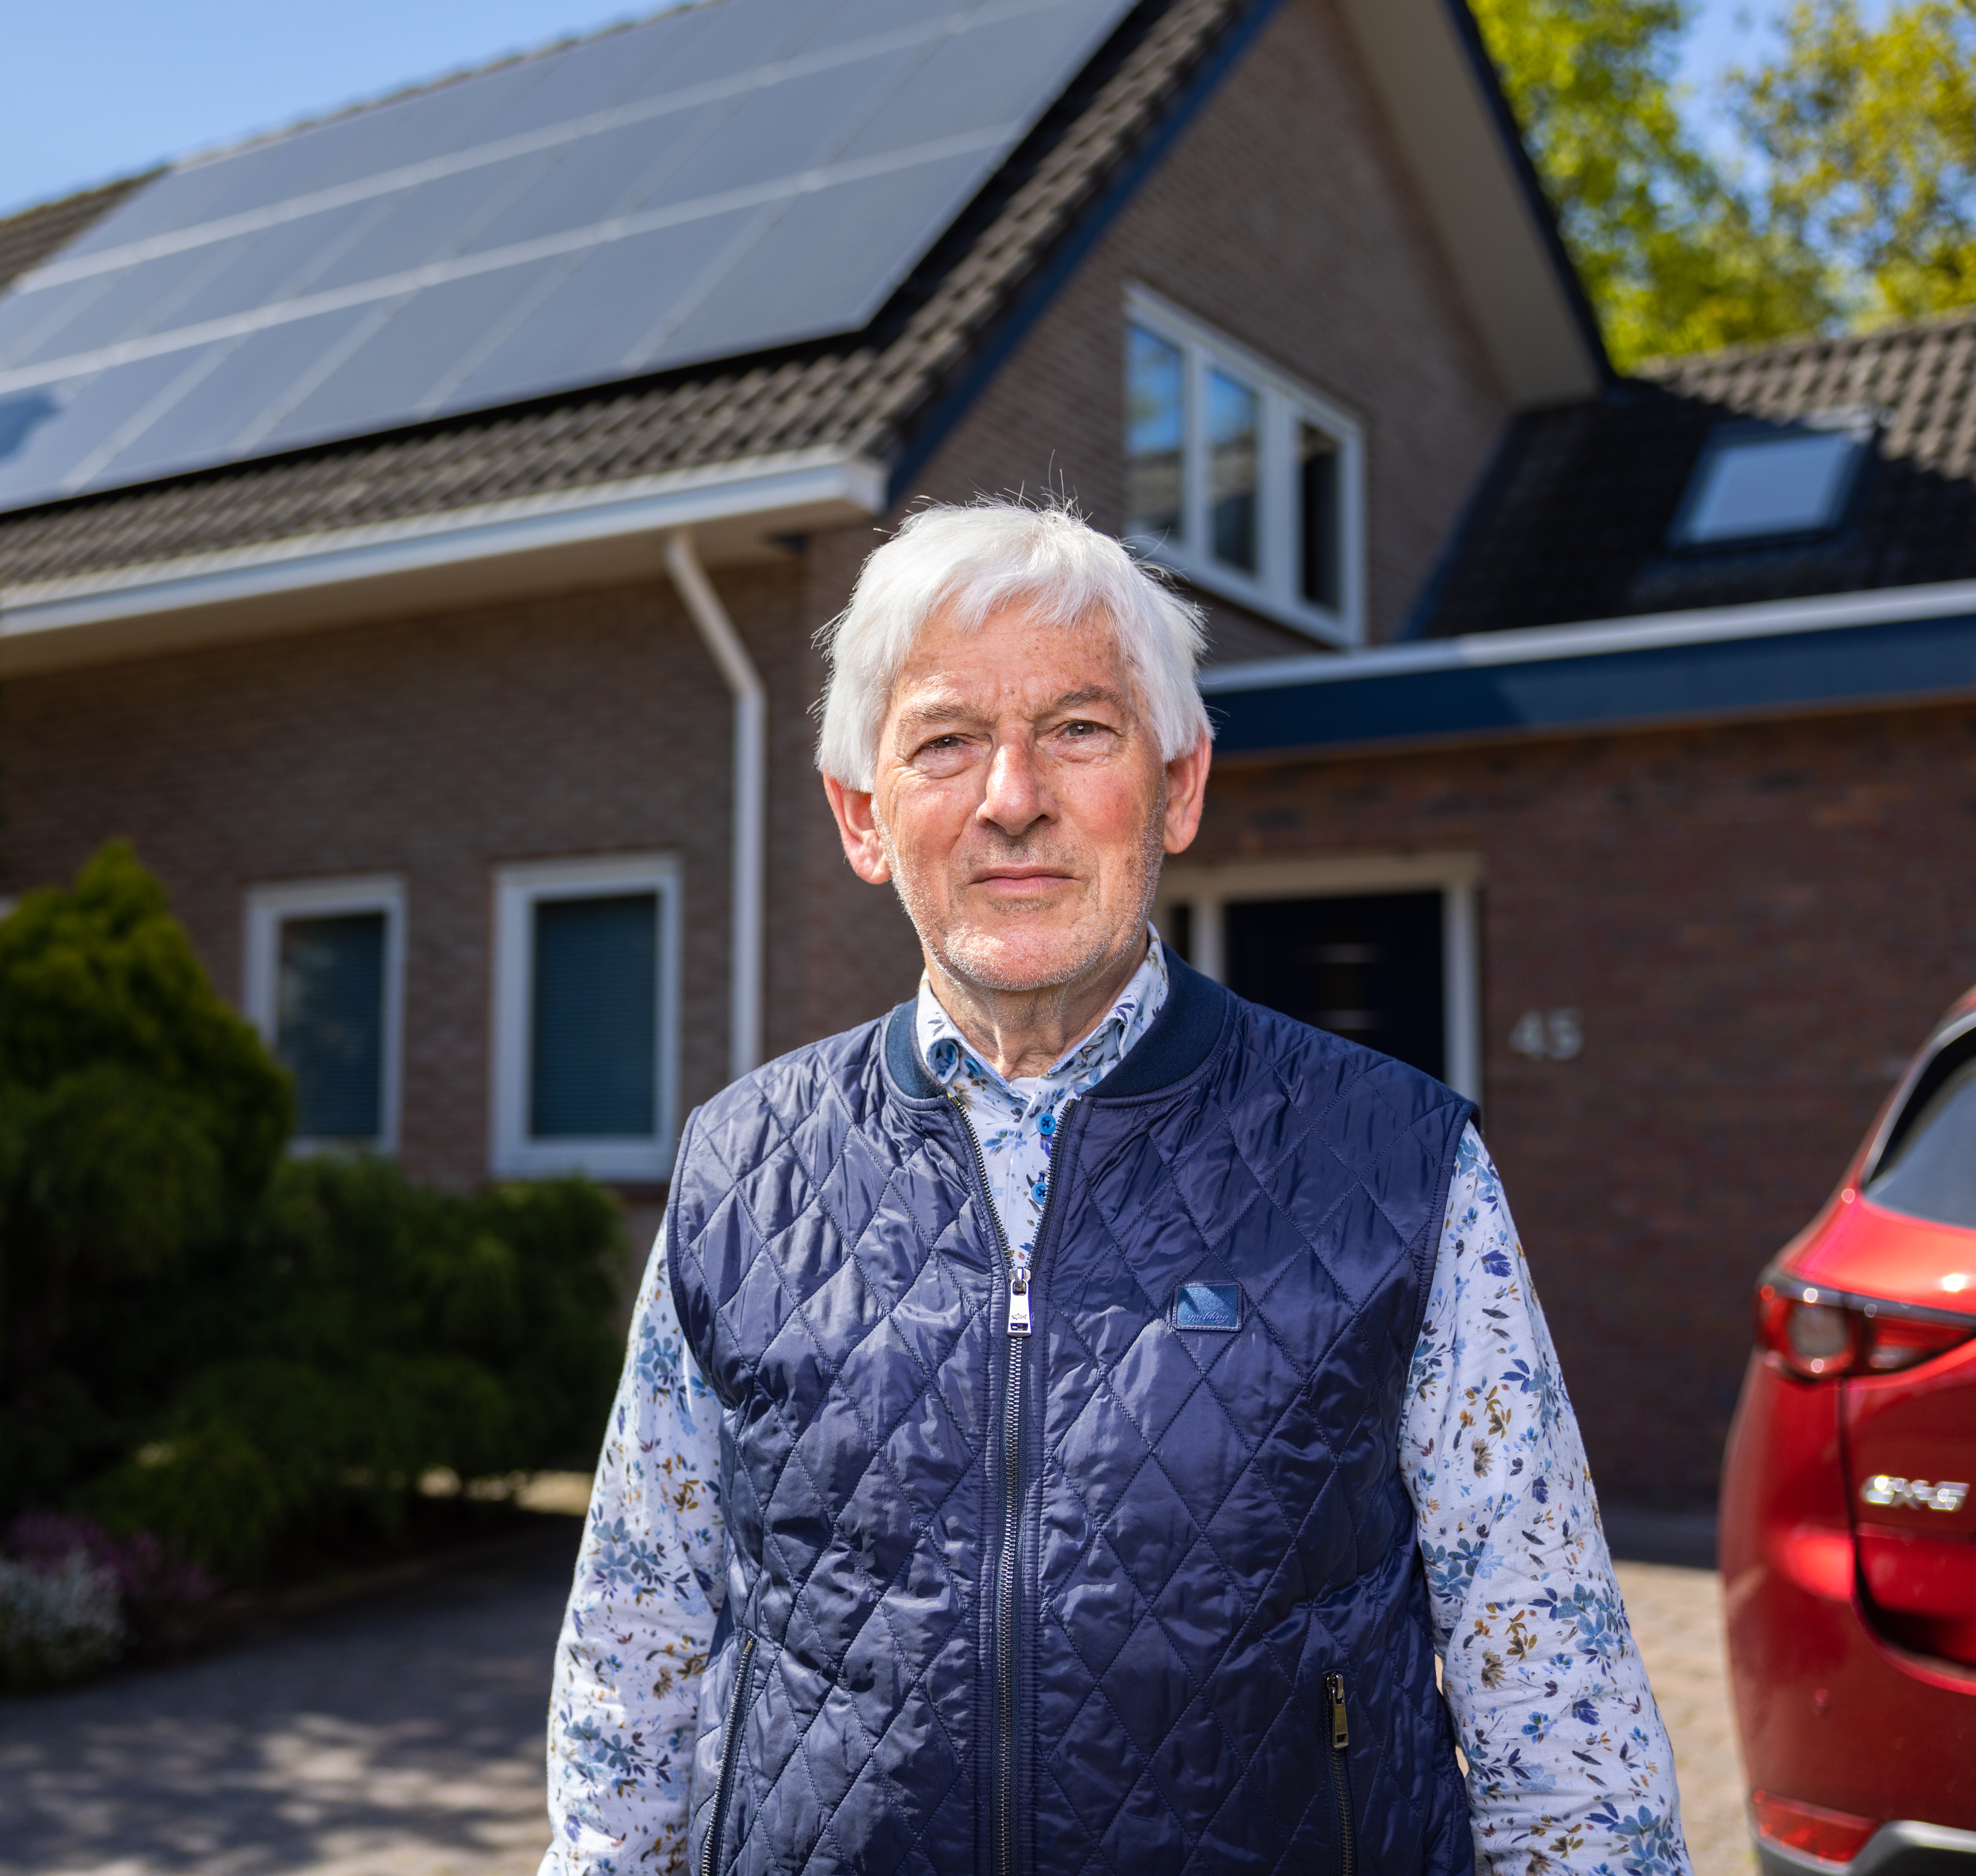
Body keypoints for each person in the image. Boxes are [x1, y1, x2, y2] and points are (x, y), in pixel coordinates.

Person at [541, 503, 1686, 1876]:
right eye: (946, 742)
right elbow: (637, 1649)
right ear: (863, 817)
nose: (1010, 796)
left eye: (1079, 730)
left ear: (1180, 787)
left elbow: (1555, 1698)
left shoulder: (1400, 1162)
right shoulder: (741, 1166)